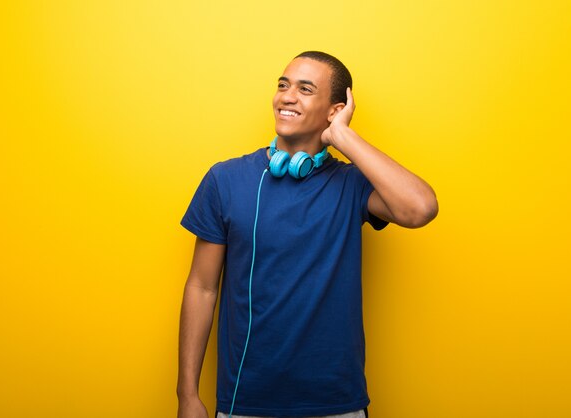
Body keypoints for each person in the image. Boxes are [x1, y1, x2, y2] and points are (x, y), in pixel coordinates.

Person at [177, 51, 439, 418]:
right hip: (245, 401)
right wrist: (187, 395)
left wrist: (344, 138)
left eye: (304, 89)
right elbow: (202, 288)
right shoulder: (225, 179)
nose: (287, 96)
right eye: (283, 85)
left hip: (336, 402)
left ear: (334, 109)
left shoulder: (352, 184)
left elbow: (420, 208)